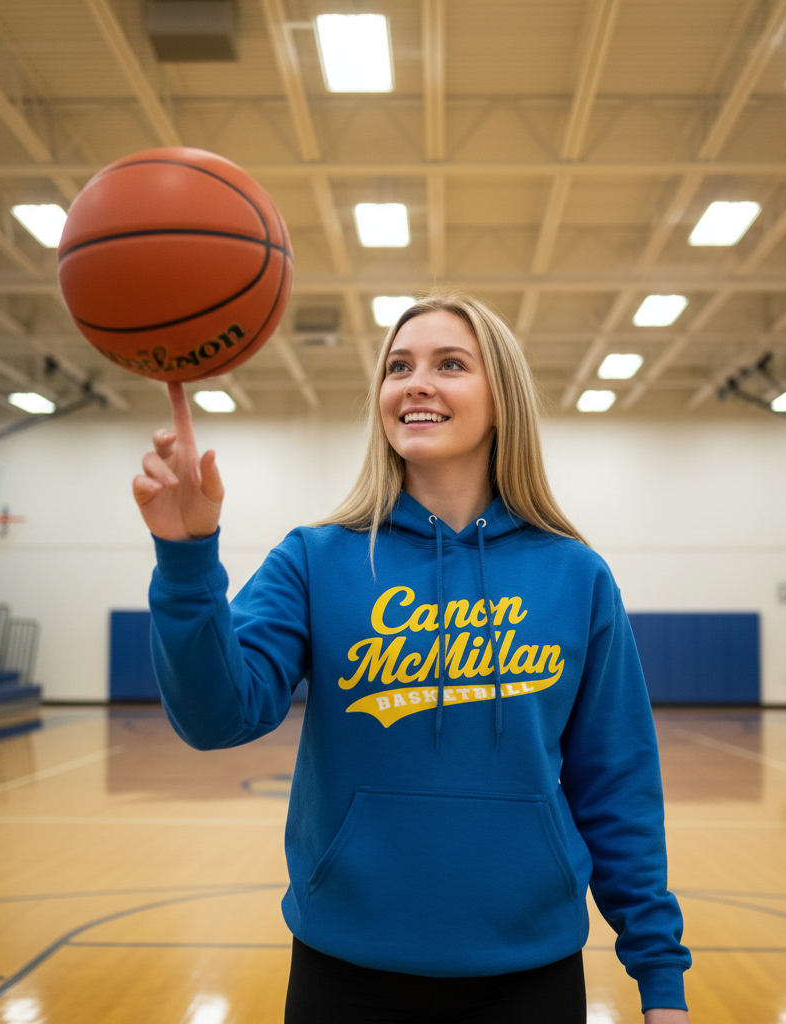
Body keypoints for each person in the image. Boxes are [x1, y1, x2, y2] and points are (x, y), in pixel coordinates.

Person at [134, 294, 692, 1023]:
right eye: (399, 367)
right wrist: (185, 560)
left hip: (529, 968)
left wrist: (660, 979)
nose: (415, 382)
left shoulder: (576, 575)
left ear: (502, 403)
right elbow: (216, 717)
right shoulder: (315, 557)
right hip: (347, 967)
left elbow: (617, 786)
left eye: (449, 365)